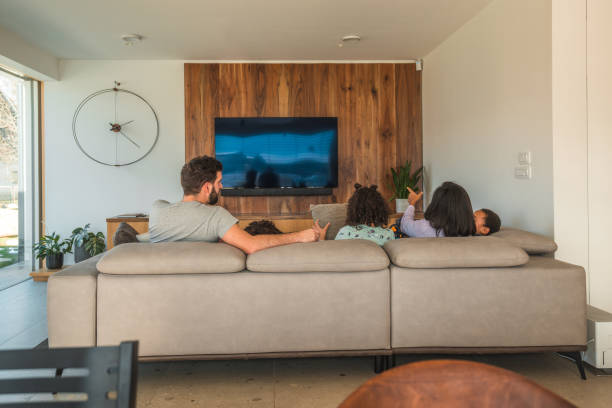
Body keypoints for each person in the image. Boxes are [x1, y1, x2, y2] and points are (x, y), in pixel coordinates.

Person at [149, 155, 329, 253]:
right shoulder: (215, 216)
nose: (221, 186)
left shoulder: (157, 210)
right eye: (218, 182)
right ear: (206, 187)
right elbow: (251, 245)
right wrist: (299, 236)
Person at [400, 182, 476, 237]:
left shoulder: (425, 228)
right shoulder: (471, 234)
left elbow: (405, 225)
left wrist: (412, 204)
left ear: (435, 205)